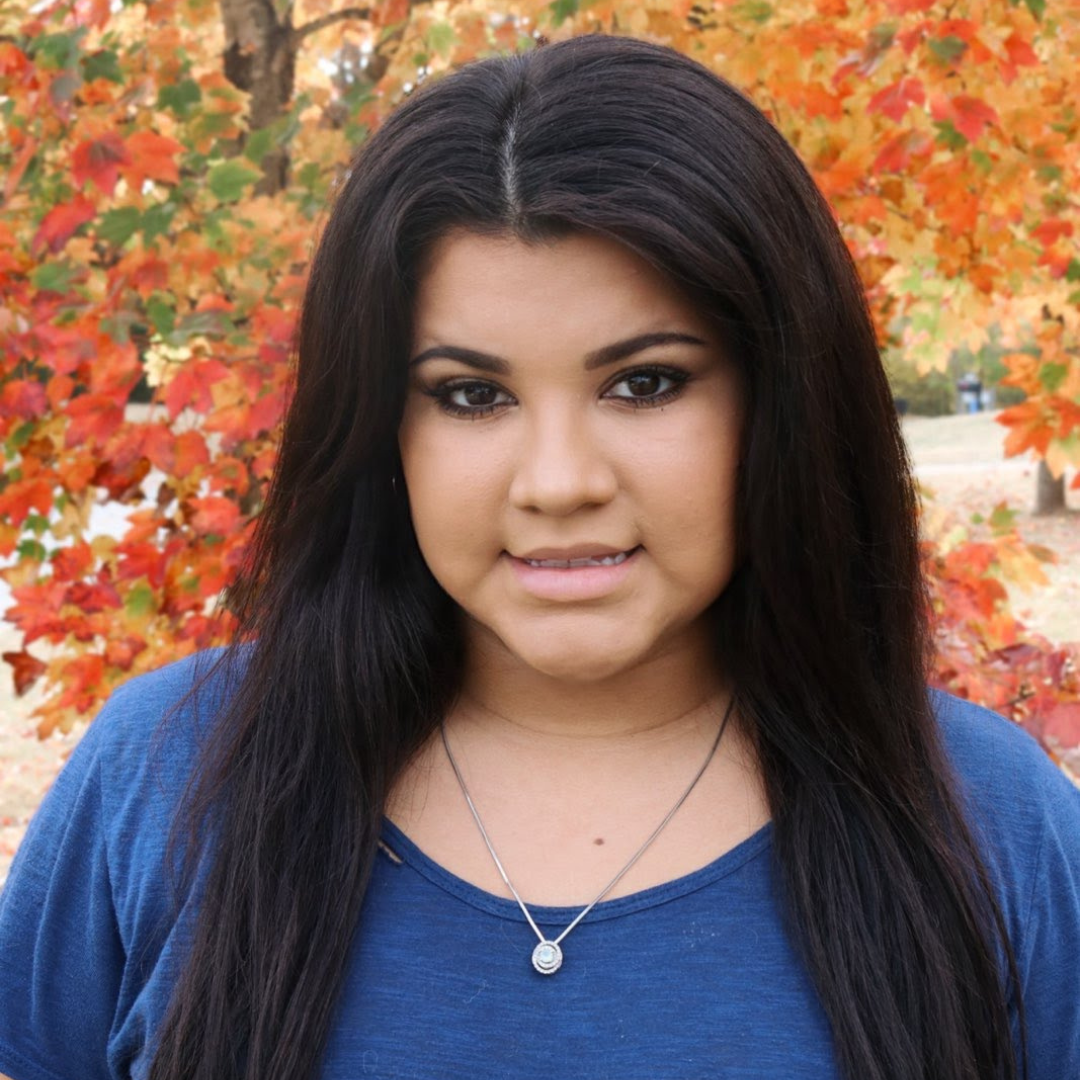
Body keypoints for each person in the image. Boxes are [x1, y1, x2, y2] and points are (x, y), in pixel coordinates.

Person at [1, 32, 1078, 1080]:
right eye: (472, 395)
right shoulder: (168, 775)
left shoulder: (992, 823)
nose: (558, 483)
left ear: (784, 402)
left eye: (645, 383)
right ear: (380, 430)